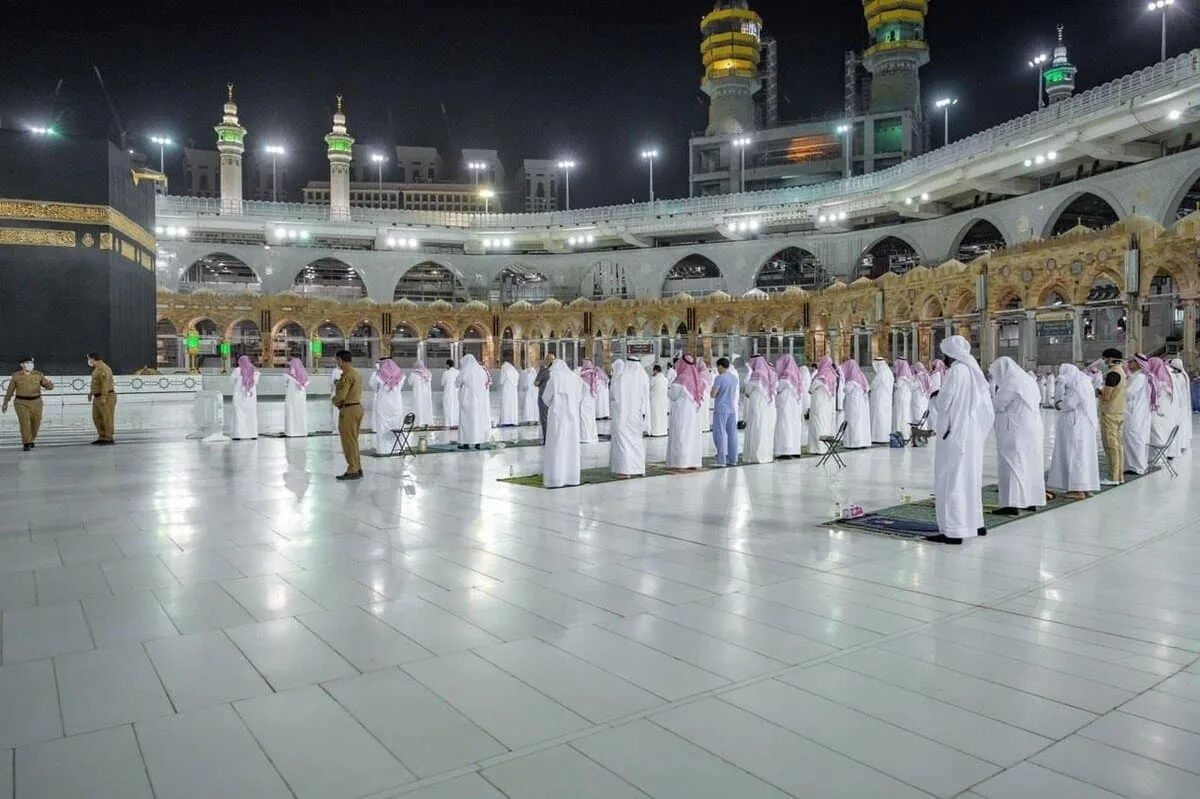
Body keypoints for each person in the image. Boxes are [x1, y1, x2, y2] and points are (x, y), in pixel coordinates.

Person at [927, 336, 995, 544]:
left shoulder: (957, 371)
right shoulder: (973, 371)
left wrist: (935, 397)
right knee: (969, 479)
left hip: (955, 433)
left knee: (951, 479)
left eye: (945, 355)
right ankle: (974, 523)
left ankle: (953, 530)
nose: (944, 359)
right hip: (971, 433)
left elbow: (946, 401)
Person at [988, 356, 1046, 513]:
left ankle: (1012, 504)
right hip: (1031, 427)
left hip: (1015, 429)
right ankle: (1030, 501)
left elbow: (998, 404)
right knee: (1030, 464)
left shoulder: (1011, 381)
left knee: (1012, 464)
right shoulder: (1027, 379)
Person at [1046, 363, 1101, 499]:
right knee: (1084, 456)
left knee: (1074, 455)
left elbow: (1069, 404)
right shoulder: (1084, 382)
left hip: (1075, 425)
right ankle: (1085, 487)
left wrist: (1059, 404)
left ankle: (1077, 489)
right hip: (1083, 426)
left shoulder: (1077, 386)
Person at [542, 359, 583, 488]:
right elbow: (579, 397)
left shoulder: (554, 378)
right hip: (573, 418)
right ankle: (572, 478)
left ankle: (556, 478)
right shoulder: (575, 378)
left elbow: (546, 398)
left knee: (557, 446)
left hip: (557, 416)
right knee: (571, 447)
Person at [2, 355, 53, 450]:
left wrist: (49, 385)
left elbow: (48, 386)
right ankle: (26, 443)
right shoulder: (16, 376)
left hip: (36, 402)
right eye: (27, 363)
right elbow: (10, 390)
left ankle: (31, 439)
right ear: (22, 365)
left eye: (31, 363)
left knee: (36, 423)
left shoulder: (38, 374)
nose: (30, 365)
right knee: (25, 423)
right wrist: (5, 402)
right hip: (21, 403)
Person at [610, 357, 649, 477]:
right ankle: (639, 469)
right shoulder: (643, 376)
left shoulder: (621, 377)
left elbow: (614, 395)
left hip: (622, 415)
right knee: (636, 442)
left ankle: (625, 471)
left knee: (623, 442)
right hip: (636, 416)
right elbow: (646, 397)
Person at [668, 354, 705, 469]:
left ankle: (681, 462)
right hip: (693, 413)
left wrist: (669, 389)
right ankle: (692, 461)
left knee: (681, 435)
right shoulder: (697, 378)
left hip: (681, 412)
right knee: (691, 436)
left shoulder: (681, 378)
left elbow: (673, 396)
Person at [1096, 348, 1126, 485]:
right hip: (1119, 412)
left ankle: (1113, 477)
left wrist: (1098, 392)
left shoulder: (1112, 374)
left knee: (1110, 445)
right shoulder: (1122, 371)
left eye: (1105, 358)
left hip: (1110, 412)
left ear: (1110, 359)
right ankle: (1119, 476)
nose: (1104, 361)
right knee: (1118, 445)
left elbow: (1107, 396)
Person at [332, 350, 364, 480]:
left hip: (349, 410)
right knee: (353, 440)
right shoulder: (356, 373)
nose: (337, 363)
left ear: (340, 360)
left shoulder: (347, 376)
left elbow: (341, 396)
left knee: (348, 441)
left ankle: (352, 470)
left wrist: (334, 400)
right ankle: (357, 466)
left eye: (337, 361)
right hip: (357, 408)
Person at [741, 355, 777, 464]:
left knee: (756, 427)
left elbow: (748, 389)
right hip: (768, 407)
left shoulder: (757, 374)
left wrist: (747, 391)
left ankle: (755, 456)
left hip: (757, 404)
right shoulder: (772, 373)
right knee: (765, 428)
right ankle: (765, 455)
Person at [368, 358, 406, 454]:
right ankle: (397, 448)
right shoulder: (400, 375)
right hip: (396, 404)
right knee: (396, 425)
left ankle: (384, 450)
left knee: (382, 426)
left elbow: (373, 386)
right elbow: (400, 387)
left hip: (383, 404)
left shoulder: (379, 375)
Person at [774, 354, 808, 458]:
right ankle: (795, 450)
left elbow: (778, 388)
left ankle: (786, 450)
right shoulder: (797, 373)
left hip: (786, 403)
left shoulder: (786, 375)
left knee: (785, 425)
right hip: (795, 404)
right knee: (794, 426)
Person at [709, 357, 740, 466]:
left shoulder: (719, 378)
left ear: (721, 366)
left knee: (720, 434)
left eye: (718, 366)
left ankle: (721, 460)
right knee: (732, 434)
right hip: (732, 408)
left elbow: (713, 394)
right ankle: (733, 459)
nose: (717, 369)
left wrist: (717, 394)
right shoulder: (734, 378)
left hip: (721, 408)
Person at [456, 354, 491, 449]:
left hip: (467, 399)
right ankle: (477, 442)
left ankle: (466, 443)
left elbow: (457, 382)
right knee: (478, 421)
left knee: (466, 421)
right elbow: (485, 382)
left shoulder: (465, 370)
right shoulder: (481, 370)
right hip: (479, 400)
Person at [1146, 356, 1178, 459]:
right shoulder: (1167, 380)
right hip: (1166, 414)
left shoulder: (1157, 382)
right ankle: (1161, 456)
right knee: (1161, 434)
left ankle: (1157, 458)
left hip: (1157, 413)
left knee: (1156, 434)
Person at [1125, 356, 1151, 476]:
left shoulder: (1140, 377)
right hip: (1132, 412)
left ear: (1139, 363)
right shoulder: (1134, 376)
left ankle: (1138, 466)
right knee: (1130, 438)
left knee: (1136, 438)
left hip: (1136, 413)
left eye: (1132, 361)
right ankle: (1131, 465)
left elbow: (1129, 393)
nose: (1129, 363)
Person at [808, 356, 838, 454]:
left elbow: (811, 388)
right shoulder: (832, 375)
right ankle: (824, 447)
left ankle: (818, 448)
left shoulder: (822, 376)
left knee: (818, 423)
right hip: (827, 406)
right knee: (824, 424)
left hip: (819, 404)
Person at [840, 360, 871, 449]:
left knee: (853, 423)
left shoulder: (851, 380)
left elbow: (846, 389)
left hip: (853, 405)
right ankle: (861, 442)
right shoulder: (861, 376)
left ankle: (854, 443)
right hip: (861, 405)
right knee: (860, 423)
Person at [88, 352, 117, 445]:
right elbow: (96, 383)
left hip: (106, 396)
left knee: (107, 417)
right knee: (97, 417)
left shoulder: (103, 368)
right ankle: (102, 435)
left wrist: (104, 397)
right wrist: (91, 393)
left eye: (89, 358)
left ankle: (108, 437)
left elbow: (105, 384)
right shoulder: (96, 369)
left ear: (93, 359)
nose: (88, 361)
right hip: (97, 396)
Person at [229, 355, 258, 441]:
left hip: (239, 397)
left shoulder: (237, 370)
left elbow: (231, 381)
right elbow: (255, 382)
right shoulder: (254, 371)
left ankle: (239, 434)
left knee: (239, 415)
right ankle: (252, 434)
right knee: (251, 415)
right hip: (251, 398)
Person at [867, 357, 894, 443]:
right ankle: (883, 437)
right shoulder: (888, 372)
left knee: (878, 417)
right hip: (885, 400)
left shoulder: (882, 373)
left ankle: (878, 437)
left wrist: (868, 388)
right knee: (883, 417)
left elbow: (873, 385)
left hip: (880, 399)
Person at [283, 357, 309, 438]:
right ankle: (302, 431)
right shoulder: (304, 374)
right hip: (301, 398)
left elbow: (284, 385)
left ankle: (291, 431)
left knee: (291, 412)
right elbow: (305, 385)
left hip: (291, 397)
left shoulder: (288, 374)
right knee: (300, 412)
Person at [1169, 358, 1191, 453]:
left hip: (1179, 405)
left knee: (1179, 425)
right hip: (1183, 405)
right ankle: (1182, 444)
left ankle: (1179, 445)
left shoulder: (1178, 376)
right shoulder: (1184, 375)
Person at [533, 353, 555, 443]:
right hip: (554, 398)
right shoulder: (556, 372)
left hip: (544, 397)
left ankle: (547, 439)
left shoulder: (544, 370)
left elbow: (536, 383)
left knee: (544, 418)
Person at [578, 359, 601, 443]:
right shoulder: (594, 375)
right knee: (590, 420)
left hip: (583, 401)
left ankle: (584, 437)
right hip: (591, 401)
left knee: (584, 420)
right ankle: (592, 437)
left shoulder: (582, 377)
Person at [892, 357, 916, 433]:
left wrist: (893, 383)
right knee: (905, 414)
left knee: (900, 414)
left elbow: (898, 385)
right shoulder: (909, 374)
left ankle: (900, 431)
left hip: (901, 397)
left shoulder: (902, 375)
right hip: (906, 397)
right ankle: (906, 432)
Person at [409, 360, 434, 427]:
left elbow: (409, 382)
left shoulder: (413, 374)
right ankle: (427, 421)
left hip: (418, 394)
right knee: (426, 406)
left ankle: (418, 422)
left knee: (418, 406)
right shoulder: (428, 373)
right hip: (426, 394)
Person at [647, 364, 669, 437]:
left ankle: (656, 432)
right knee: (662, 417)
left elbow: (648, 388)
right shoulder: (665, 379)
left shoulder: (654, 379)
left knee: (655, 417)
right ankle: (663, 431)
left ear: (655, 370)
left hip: (655, 401)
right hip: (663, 402)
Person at [498, 359, 520, 426]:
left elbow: (501, 380)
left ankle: (505, 421)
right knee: (512, 405)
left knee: (506, 405)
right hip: (513, 391)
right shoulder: (513, 370)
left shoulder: (504, 368)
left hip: (506, 390)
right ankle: (513, 420)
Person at [911, 361, 932, 427]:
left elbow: (913, 386)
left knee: (918, 415)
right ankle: (924, 428)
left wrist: (908, 381)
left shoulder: (918, 376)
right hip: (925, 398)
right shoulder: (926, 374)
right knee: (923, 415)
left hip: (918, 398)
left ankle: (919, 431)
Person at [441, 359, 460, 429]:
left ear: (447, 365)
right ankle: (456, 422)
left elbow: (442, 383)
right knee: (456, 407)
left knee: (448, 407)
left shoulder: (446, 373)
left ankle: (448, 423)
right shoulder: (458, 372)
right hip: (456, 392)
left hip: (448, 392)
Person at [698, 359, 715, 433]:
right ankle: (706, 427)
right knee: (705, 412)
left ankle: (701, 427)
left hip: (702, 394)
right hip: (707, 394)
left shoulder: (701, 373)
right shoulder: (707, 373)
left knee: (702, 412)